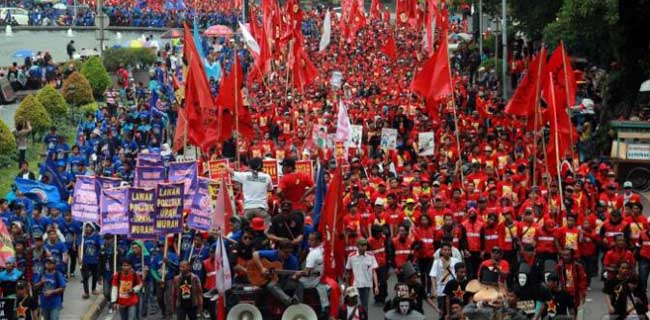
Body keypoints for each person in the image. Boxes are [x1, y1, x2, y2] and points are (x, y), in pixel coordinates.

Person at [252, 240, 303, 307]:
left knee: (299, 284)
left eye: (290, 252)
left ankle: (298, 305)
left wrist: (297, 277)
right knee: (271, 285)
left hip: (284, 281)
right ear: (279, 250)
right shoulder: (273, 254)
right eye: (285, 252)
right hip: (271, 281)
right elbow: (255, 254)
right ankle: (289, 302)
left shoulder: (293, 260)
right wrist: (262, 268)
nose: (287, 254)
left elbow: (293, 278)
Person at [230, 157, 273, 225]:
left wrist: (225, 166)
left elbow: (232, 172)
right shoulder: (267, 177)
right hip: (261, 209)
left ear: (250, 166)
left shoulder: (245, 175)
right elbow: (270, 189)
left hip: (248, 209)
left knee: (247, 231)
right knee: (266, 230)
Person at [297, 231, 329, 314]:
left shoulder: (313, 254)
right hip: (319, 278)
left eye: (312, 240)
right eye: (309, 240)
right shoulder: (323, 250)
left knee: (294, 283)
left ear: (318, 241)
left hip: (310, 281)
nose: (309, 242)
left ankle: (296, 304)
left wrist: (296, 275)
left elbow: (306, 272)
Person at [345, 238, 379, 313]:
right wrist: (347, 286)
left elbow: (374, 271)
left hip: (367, 284)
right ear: (357, 246)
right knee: (355, 304)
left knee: (365, 305)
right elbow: (348, 271)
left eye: (365, 245)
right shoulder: (351, 256)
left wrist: (376, 286)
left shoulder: (371, 255)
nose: (364, 247)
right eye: (362, 245)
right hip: (355, 284)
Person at [430, 242, 459, 316]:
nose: (447, 252)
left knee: (454, 311)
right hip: (441, 289)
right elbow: (433, 276)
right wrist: (434, 290)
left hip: (454, 290)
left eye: (449, 250)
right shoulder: (437, 262)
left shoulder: (455, 261)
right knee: (442, 311)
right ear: (441, 251)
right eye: (445, 250)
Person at [80, 223, 102, 299]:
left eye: (89, 227)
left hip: (95, 260)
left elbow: (100, 245)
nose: (88, 229)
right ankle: (86, 292)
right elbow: (80, 247)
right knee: (85, 277)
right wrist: (79, 257)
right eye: (86, 227)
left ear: (92, 228)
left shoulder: (96, 236)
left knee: (95, 275)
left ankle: (93, 289)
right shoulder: (83, 237)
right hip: (85, 260)